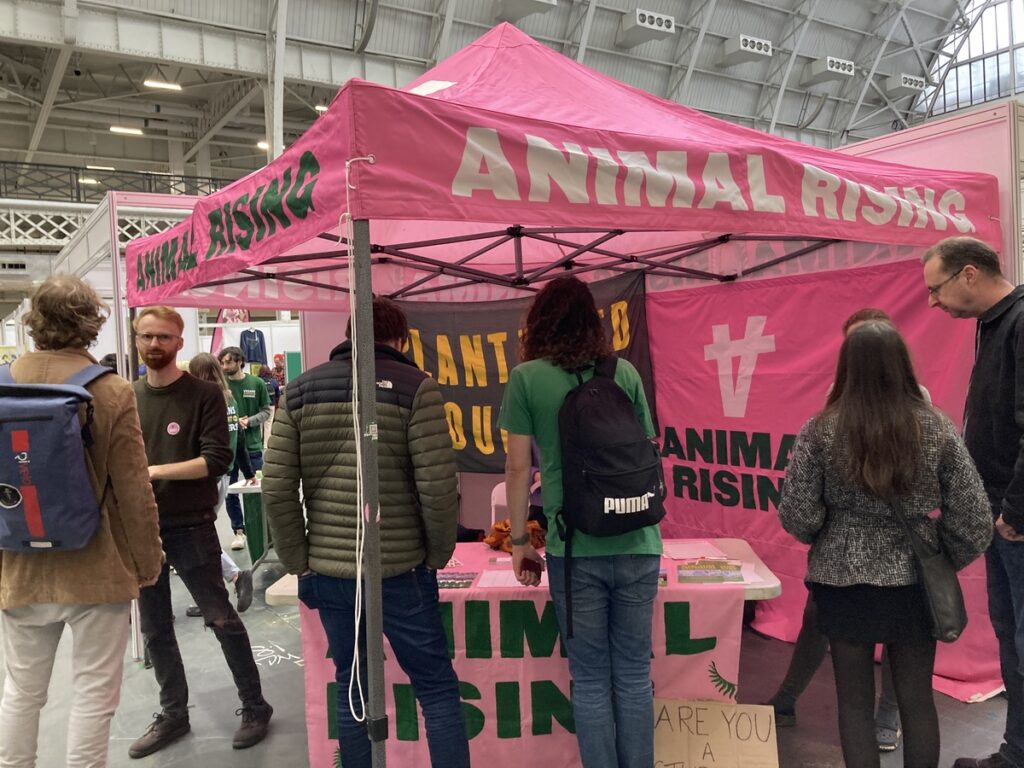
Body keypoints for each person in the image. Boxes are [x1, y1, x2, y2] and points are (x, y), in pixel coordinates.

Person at [262, 297, 469, 768]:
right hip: (402, 569)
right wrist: (436, 556)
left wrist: (300, 564)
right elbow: (439, 488)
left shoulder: (299, 390)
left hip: (331, 573)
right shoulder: (417, 388)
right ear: (401, 340)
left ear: (349, 335)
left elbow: (275, 489)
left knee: (352, 685)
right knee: (436, 688)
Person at [779, 320, 992, 768]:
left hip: (841, 582)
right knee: (917, 700)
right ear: (902, 364)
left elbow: (798, 515)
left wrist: (829, 535)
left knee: (854, 704)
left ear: (846, 367)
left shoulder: (820, 429)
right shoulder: (936, 427)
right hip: (915, 580)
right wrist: (941, 556)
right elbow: (975, 518)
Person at [498, 275, 662, 768]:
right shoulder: (624, 372)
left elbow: (517, 469)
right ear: (593, 322)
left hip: (574, 547)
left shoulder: (528, 378)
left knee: (590, 679)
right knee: (633, 674)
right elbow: (647, 451)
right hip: (638, 539)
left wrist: (520, 542)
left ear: (539, 324)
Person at [0, 275, 163, 767]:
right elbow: (134, 488)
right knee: (94, 693)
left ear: (33, 321)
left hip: (20, 563)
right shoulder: (111, 391)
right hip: (97, 565)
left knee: (21, 691)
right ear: (92, 324)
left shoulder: (4, 382)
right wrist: (148, 561)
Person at [767, 307, 925, 752]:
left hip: (891, 558)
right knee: (818, 621)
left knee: (890, 657)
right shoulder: (832, 410)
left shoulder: (921, 411)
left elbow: (799, 510)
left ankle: (888, 715)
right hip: (847, 560)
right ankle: (787, 697)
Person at [130, 308, 272, 759]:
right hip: (142, 528)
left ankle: (255, 705)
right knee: (155, 627)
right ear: (136, 339)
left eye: (164, 337)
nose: (154, 344)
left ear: (179, 341)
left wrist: (153, 471)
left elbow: (216, 460)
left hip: (190, 525)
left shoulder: (205, 394)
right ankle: (173, 713)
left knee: (220, 617)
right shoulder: (128, 396)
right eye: (147, 336)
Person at [923, 236, 1024, 768]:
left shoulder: (1020, 323)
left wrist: (1015, 512)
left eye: (936, 288)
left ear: (968, 273)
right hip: (999, 517)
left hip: (1015, 521)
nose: (932, 301)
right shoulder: (993, 325)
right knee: (1010, 639)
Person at [183, 352, 255, 617]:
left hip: (206, 477)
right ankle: (219, 589)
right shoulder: (229, 399)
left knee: (196, 537)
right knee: (201, 535)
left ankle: (227, 583)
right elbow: (240, 439)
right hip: (224, 474)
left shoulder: (203, 400)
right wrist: (248, 470)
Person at [218, 346, 271, 551]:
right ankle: (239, 532)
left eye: (229, 362)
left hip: (253, 447)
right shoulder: (221, 386)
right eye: (222, 363)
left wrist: (249, 421)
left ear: (240, 361)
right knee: (230, 492)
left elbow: (266, 411)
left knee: (257, 490)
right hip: (229, 448)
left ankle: (261, 531)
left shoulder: (257, 383)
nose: (225, 366)